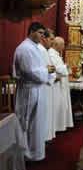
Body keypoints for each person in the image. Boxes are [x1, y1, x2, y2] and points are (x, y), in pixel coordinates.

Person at [13, 22, 56, 161]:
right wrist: (47, 70)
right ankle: (25, 154)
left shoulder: (35, 47)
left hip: (37, 88)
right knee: (26, 121)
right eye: (40, 33)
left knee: (37, 123)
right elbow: (29, 71)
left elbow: (40, 67)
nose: (42, 36)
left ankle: (35, 152)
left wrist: (47, 69)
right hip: (29, 90)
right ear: (31, 31)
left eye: (43, 34)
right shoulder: (24, 48)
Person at [49, 37, 74, 132]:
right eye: (62, 44)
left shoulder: (56, 54)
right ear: (56, 45)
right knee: (57, 105)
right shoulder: (51, 54)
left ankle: (60, 125)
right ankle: (56, 126)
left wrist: (65, 67)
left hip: (61, 84)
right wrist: (65, 66)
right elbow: (57, 68)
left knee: (61, 104)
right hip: (56, 84)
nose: (64, 47)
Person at [38, 29, 57, 142]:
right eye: (51, 39)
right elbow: (46, 69)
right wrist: (51, 74)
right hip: (44, 85)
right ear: (44, 38)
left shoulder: (45, 50)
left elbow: (50, 68)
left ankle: (45, 137)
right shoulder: (41, 50)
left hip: (47, 85)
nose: (52, 42)